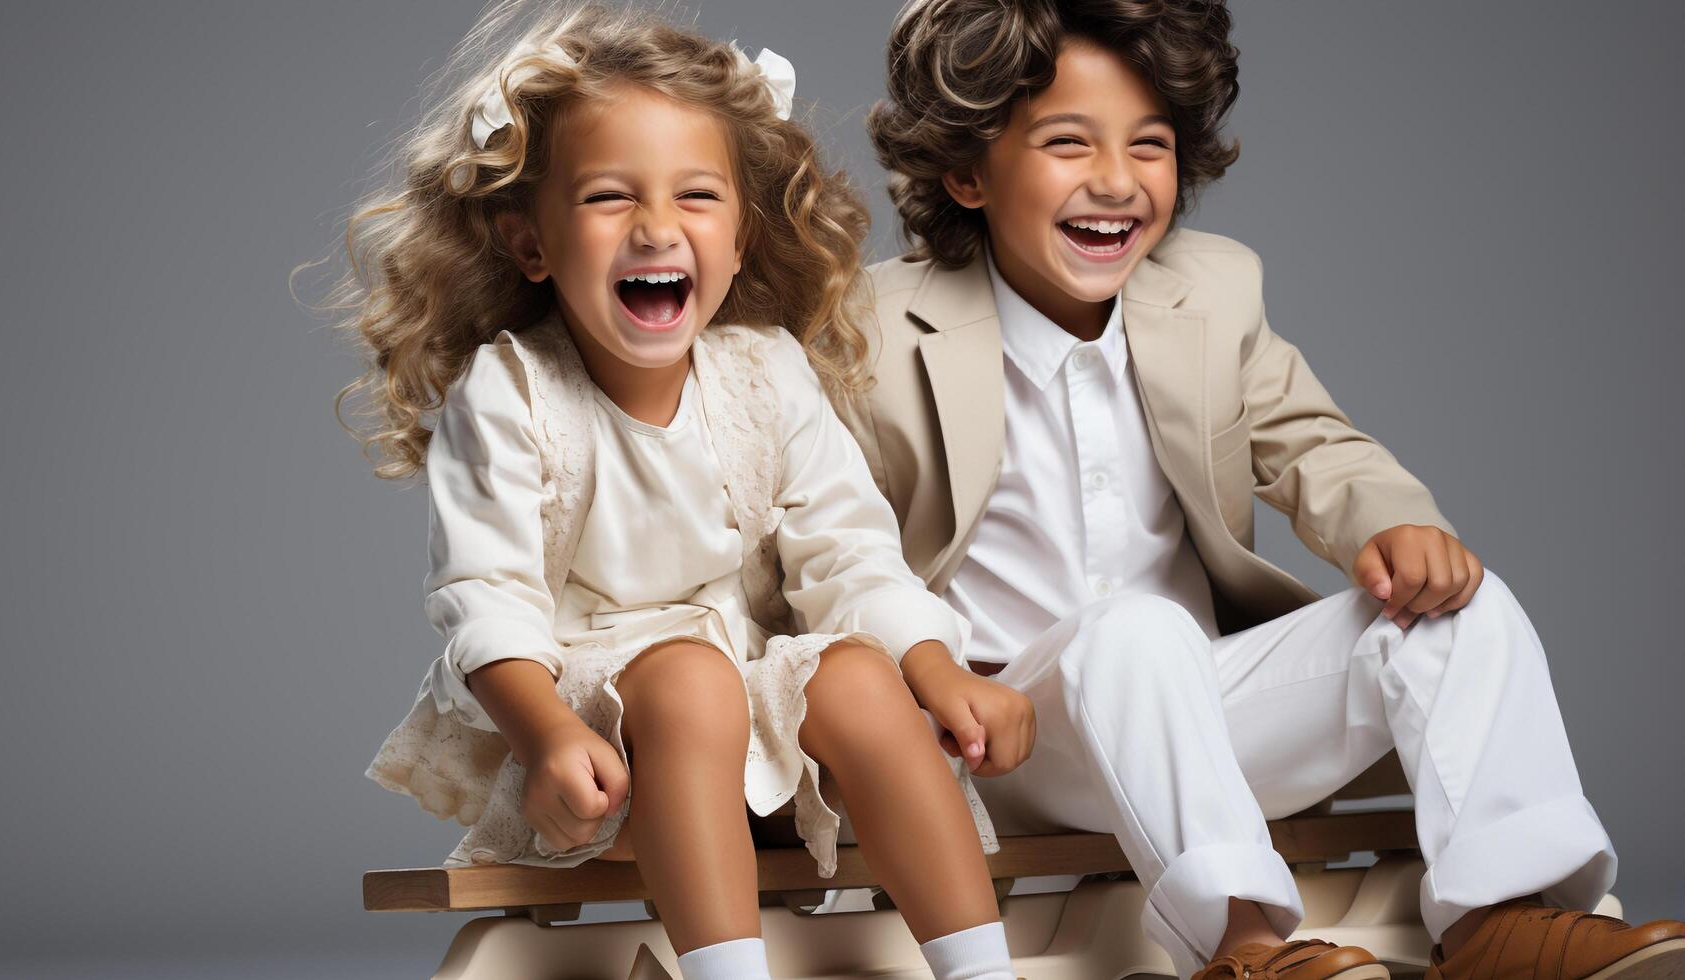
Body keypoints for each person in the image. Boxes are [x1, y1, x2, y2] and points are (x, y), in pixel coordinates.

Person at [840, 1, 1685, 978]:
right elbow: (835, 549)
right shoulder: (872, 326)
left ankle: (1501, 917)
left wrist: (1396, 521)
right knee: (1130, 627)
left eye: (1147, 145)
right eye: (1067, 143)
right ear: (967, 170)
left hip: (1193, 708)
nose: (1114, 180)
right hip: (1001, 741)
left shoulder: (1209, 290)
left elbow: (1311, 442)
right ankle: (1245, 949)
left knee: (1460, 607)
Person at [329, 5, 1035, 978]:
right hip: (582, 723)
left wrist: (941, 671)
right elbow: (487, 597)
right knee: (687, 678)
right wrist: (543, 736)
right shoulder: (509, 391)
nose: (657, 227)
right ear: (530, 242)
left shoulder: (766, 371)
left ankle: (978, 968)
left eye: (696, 196)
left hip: (748, 703)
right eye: (609, 197)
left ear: (741, 237)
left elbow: (849, 554)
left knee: (863, 679)